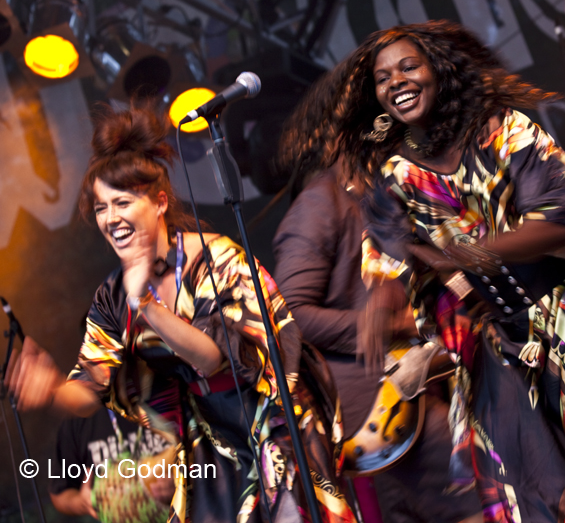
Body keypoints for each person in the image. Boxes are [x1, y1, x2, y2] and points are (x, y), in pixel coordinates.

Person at [302, 19, 565, 522]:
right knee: (542, 499)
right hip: (499, 347)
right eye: (384, 78)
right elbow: (389, 260)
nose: (397, 82)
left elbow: (558, 219)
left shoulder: (503, 130)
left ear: (439, 70)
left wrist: (466, 254)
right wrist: (380, 301)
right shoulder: (394, 177)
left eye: (409, 66)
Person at [4, 106, 354, 523]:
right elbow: (90, 386)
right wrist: (52, 391)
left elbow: (211, 359)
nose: (111, 218)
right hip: (211, 436)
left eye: (122, 202)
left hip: (269, 415)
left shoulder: (215, 258)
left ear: (159, 203)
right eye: (101, 208)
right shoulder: (112, 298)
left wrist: (148, 307)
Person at [272, 93, 482, 523]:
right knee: (477, 500)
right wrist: (393, 326)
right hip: (375, 404)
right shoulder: (318, 205)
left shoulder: (388, 196)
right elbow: (290, 314)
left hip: (422, 389)